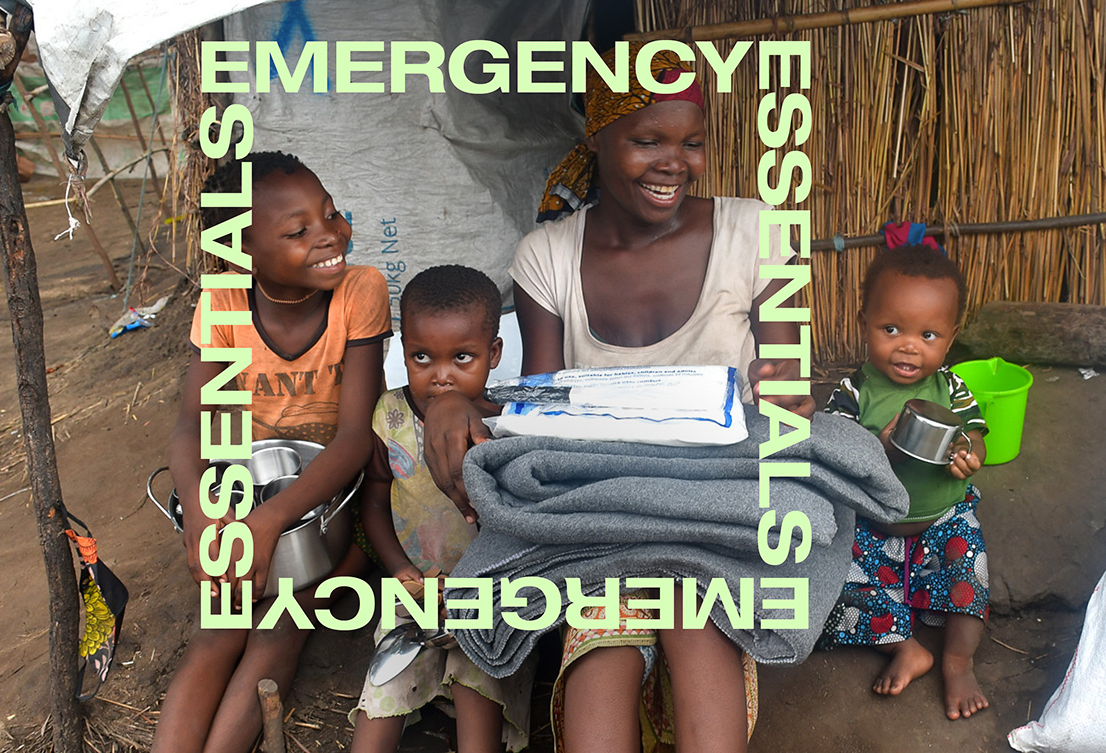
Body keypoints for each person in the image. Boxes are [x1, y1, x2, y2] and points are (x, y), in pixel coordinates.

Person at [423, 43, 815, 753]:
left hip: (714, 508)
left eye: (692, 142)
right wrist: (456, 405)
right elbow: (540, 412)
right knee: (601, 660)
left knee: (698, 623)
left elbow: (785, 390)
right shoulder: (546, 258)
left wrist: (786, 393)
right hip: (602, 506)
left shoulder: (758, 230)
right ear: (596, 139)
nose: (676, 162)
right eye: (648, 140)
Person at [153, 152, 391, 753]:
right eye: (298, 231)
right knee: (219, 629)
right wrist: (201, 516)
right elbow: (190, 427)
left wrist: (268, 522)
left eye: (331, 214)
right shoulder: (224, 304)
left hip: (332, 498)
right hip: (252, 491)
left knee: (281, 625)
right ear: (243, 250)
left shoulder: (359, 292)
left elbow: (356, 440)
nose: (331, 235)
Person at [351, 264, 535, 753]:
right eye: (422, 357)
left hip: (490, 596)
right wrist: (400, 570)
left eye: (462, 357)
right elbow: (373, 500)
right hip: (415, 589)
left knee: (479, 686)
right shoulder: (389, 416)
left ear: (494, 354)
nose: (441, 375)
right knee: (381, 693)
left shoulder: (505, 427)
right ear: (400, 348)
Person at [817, 244, 990, 720]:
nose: (908, 345)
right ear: (863, 320)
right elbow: (836, 453)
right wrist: (881, 449)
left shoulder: (951, 389)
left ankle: (958, 661)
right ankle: (906, 645)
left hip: (941, 516)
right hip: (876, 525)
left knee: (968, 567)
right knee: (829, 580)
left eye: (928, 334)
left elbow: (975, 432)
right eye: (890, 329)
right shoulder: (853, 392)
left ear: (951, 338)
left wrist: (970, 453)